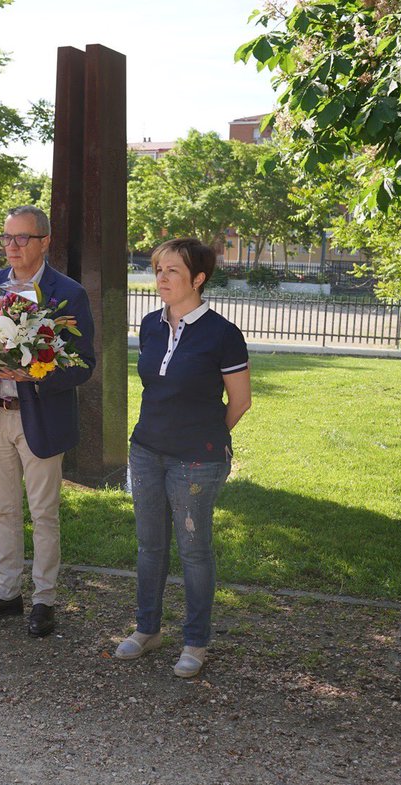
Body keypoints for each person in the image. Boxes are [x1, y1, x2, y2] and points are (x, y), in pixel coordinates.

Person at [113, 237, 251, 678]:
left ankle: (195, 641)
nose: (162, 278)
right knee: (150, 546)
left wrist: (205, 437)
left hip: (197, 459)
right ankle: (147, 629)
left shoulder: (223, 334)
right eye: (158, 270)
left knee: (194, 550)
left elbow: (240, 401)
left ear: (198, 278)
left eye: (172, 270)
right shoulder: (151, 325)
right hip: (146, 451)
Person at [0, 206, 96, 637]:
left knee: (43, 513)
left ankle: (44, 599)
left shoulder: (67, 292)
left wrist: (37, 372)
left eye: (22, 239)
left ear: (45, 242)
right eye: (7, 238)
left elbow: (85, 365)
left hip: (41, 416)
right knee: (3, 510)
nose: (12, 247)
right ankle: (6, 592)